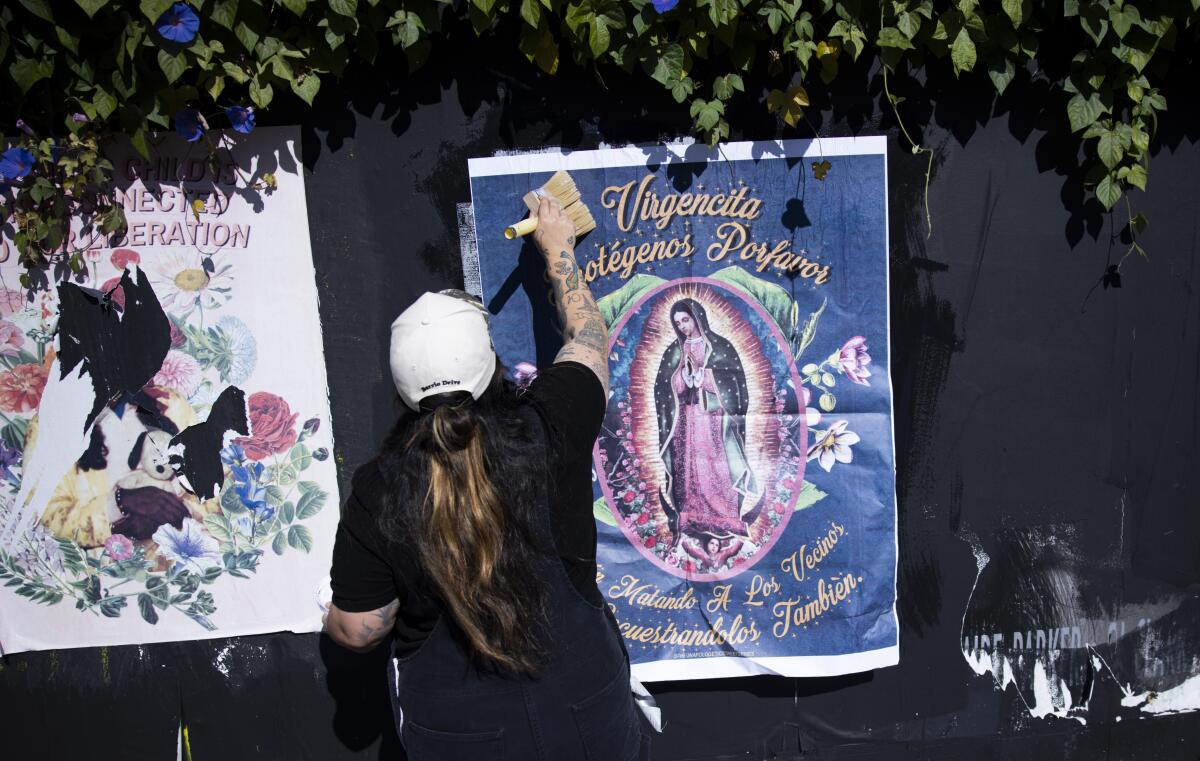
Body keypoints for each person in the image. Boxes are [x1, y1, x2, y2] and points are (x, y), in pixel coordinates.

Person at [324, 196, 649, 761]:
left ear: (401, 384)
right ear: (490, 361)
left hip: (462, 737)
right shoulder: (550, 424)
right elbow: (590, 340)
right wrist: (558, 254)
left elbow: (358, 632)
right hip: (588, 715)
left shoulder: (378, 490)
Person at [653, 298, 759, 550]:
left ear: (697, 317)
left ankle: (725, 518)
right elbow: (662, 388)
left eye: (686, 320)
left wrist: (706, 377)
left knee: (717, 468)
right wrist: (682, 379)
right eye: (678, 323)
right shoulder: (674, 351)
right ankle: (690, 517)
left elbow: (735, 384)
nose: (682, 327)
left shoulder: (721, 347)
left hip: (714, 422)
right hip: (686, 422)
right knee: (689, 468)